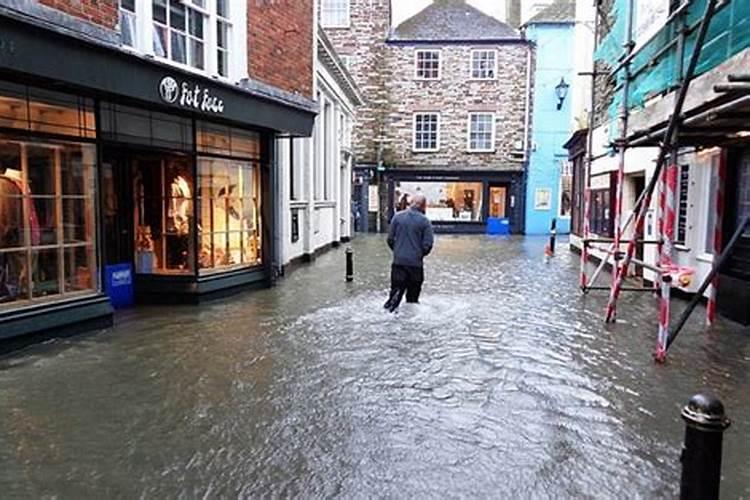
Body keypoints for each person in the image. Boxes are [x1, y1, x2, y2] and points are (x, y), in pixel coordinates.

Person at [384, 193, 434, 312]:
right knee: (412, 301)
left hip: (398, 263)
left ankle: (389, 315)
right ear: (423, 206)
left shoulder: (397, 217)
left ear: (410, 203)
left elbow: (390, 239)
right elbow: (428, 245)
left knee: (395, 296)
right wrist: (418, 255)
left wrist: (397, 251)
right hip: (415, 265)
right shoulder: (425, 222)